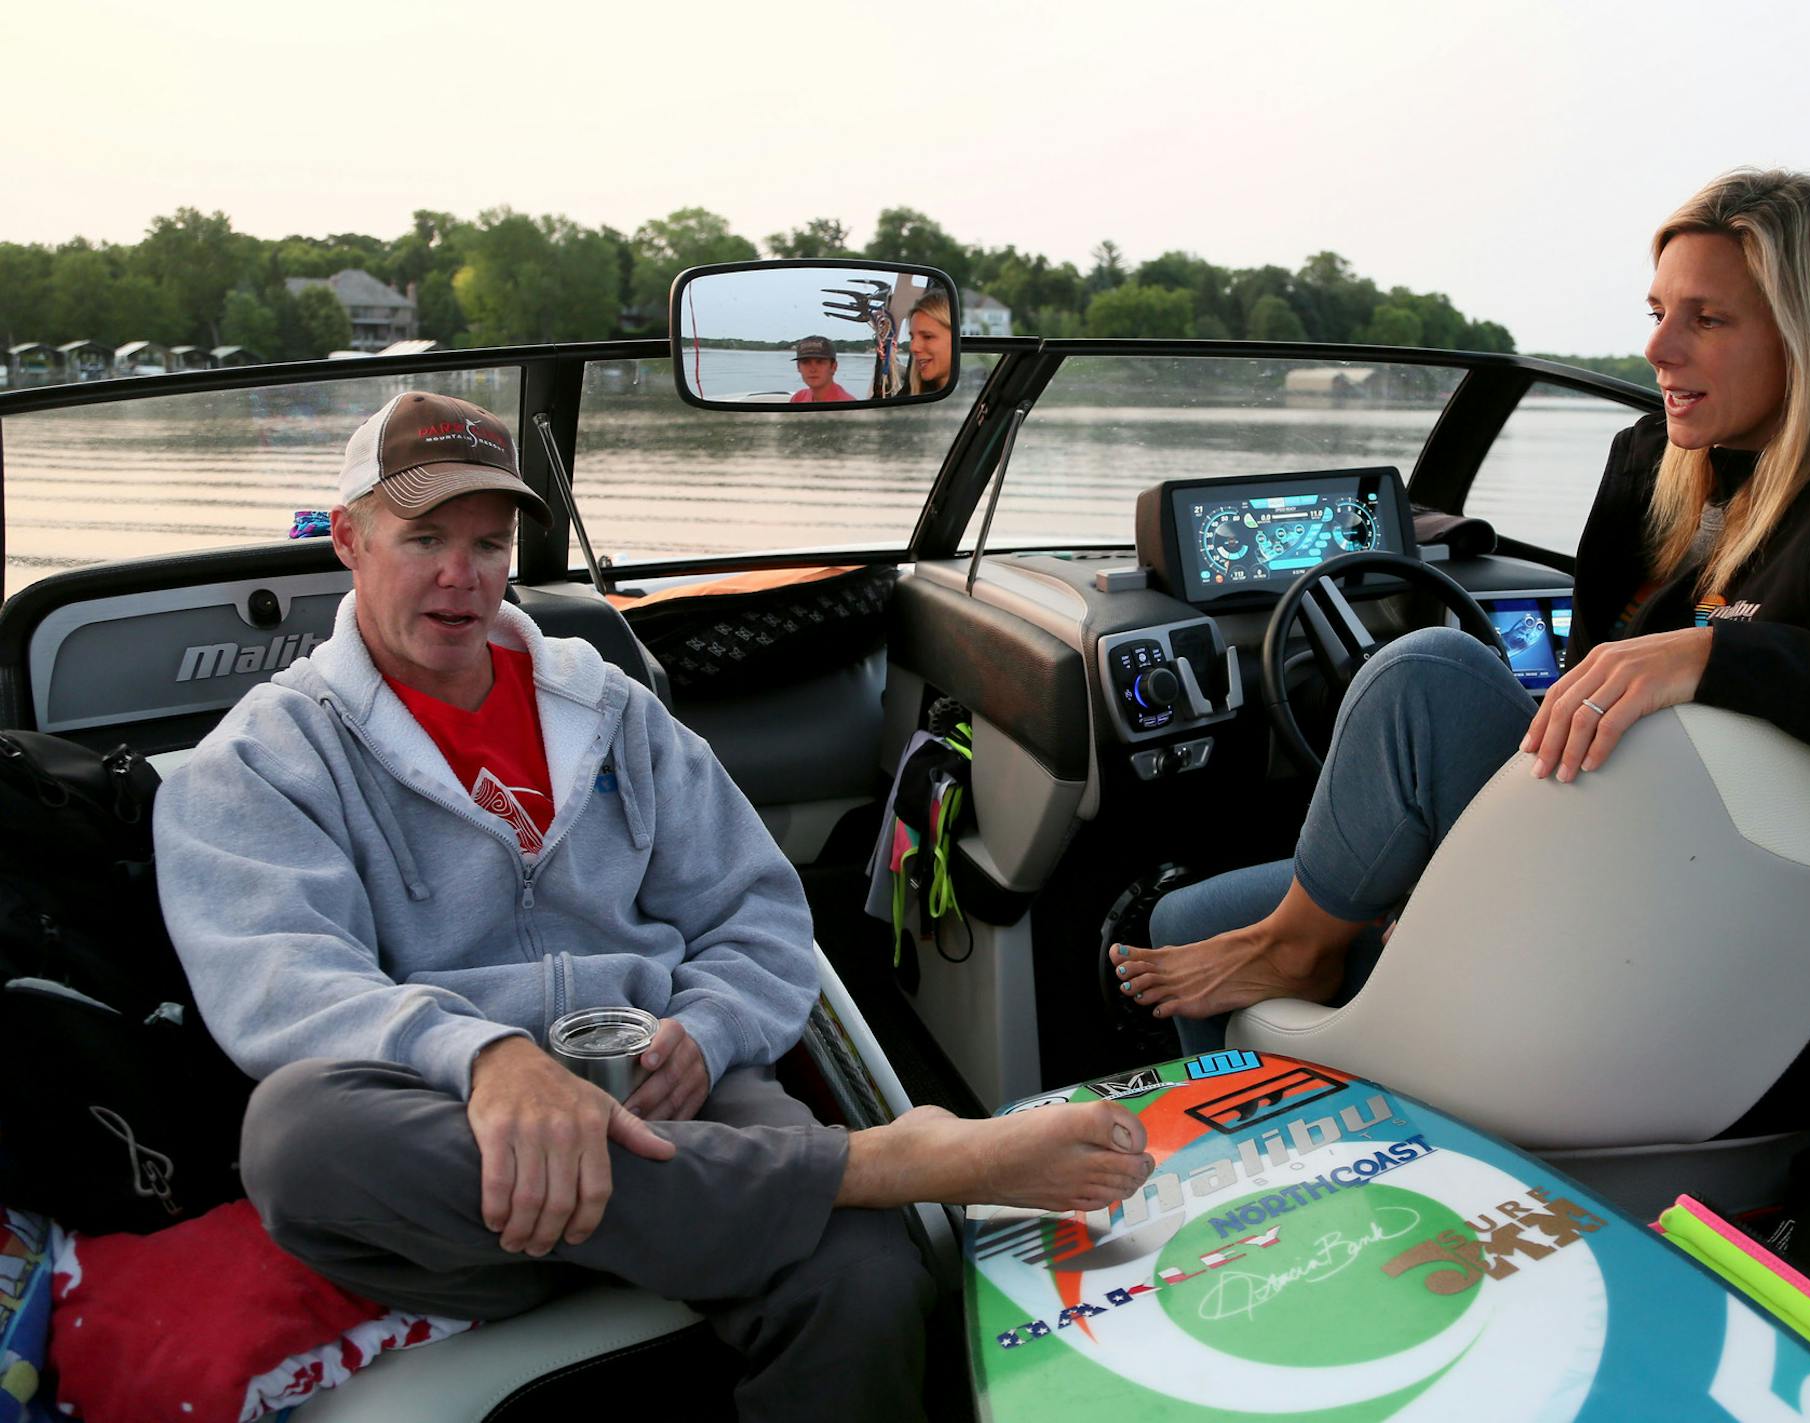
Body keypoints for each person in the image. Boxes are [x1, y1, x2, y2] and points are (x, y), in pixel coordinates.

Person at [154, 391, 1152, 1422]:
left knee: (866, 1282)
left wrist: (710, 1029)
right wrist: (490, 1060)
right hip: (464, 1147)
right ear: (350, 541)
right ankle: (868, 1164)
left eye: (490, 541)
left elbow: (760, 915)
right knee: (298, 1137)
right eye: (425, 537)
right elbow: (282, 986)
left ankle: (745, 1198)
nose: (463, 574)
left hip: (675, 1100)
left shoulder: (615, 712)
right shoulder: (264, 760)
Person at [1110, 169, 1810, 1065]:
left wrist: (1727, 657)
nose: (1658, 347)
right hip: (1605, 851)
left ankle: (1304, 947)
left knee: (1430, 676)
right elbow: (1593, 680)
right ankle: (1278, 1116)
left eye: (1707, 319)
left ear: (1809, 336)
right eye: (1659, 309)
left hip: (1688, 933)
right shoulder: (1655, 465)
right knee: (1187, 919)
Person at [905, 289, 953, 395]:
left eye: (927, 337)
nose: (913, 347)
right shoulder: (909, 392)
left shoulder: (983, 392)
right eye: (912, 337)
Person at [788, 334, 856, 403]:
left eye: (820, 362)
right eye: (806, 362)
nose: (813, 369)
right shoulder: (798, 398)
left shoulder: (846, 404)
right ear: (798, 367)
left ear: (834, 367)